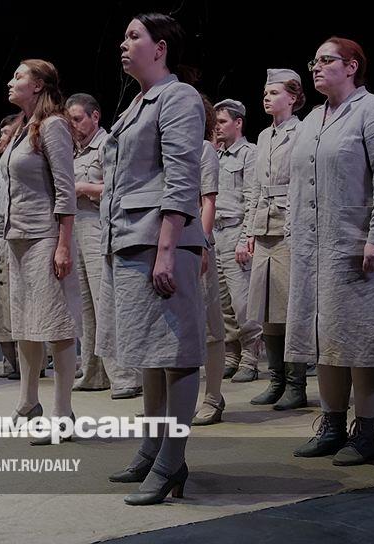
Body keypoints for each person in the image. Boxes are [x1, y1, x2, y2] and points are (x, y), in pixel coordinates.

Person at [286, 37, 374, 465]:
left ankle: (366, 433)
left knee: (363, 339)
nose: (316, 67)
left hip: (357, 246)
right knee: (326, 337)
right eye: (314, 61)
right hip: (315, 249)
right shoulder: (311, 120)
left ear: (352, 66)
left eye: (326, 60)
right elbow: (298, 184)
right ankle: (332, 426)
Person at [100, 13, 206, 504]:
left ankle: (171, 462)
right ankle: (151, 449)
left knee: (176, 353)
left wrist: (166, 249)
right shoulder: (137, 104)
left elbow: (182, 177)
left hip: (163, 243)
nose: (123, 44)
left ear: (160, 47)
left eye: (133, 36)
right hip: (131, 240)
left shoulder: (178, 96)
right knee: (150, 353)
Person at [1, 59, 82, 440]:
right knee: (25, 326)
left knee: (56, 325)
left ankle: (62, 412)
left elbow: (66, 190)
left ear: (37, 85)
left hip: (45, 238)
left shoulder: (53, 126)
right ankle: (27, 401)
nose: (11, 81)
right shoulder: (23, 128)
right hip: (17, 239)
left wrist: (63, 244)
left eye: (18, 76)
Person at [66, 92, 142, 398]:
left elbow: (120, 186)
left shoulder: (108, 144)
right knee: (85, 306)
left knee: (106, 303)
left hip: (101, 228)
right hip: (77, 230)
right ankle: (94, 372)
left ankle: (126, 376)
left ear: (94, 116)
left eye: (77, 119)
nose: (73, 125)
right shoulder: (73, 152)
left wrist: (83, 187)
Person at [246, 69, 305, 411]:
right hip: (264, 227)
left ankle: (296, 384)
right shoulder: (263, 136)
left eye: (274, 92)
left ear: (293, 97)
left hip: (288, 227)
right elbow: (255, 188)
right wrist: (249, 232)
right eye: (265, 93)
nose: (266, 98)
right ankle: (276, 380)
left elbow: (302, 183)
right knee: (265, 308)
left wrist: (296, 228)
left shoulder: (302, 132)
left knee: (289, 307)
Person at [213, 98, 262, 382]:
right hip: (215, 233)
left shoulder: (249, 154)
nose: (217, 127)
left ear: (238, 123)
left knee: (243, 301)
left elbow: (252, 198)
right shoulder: (215, 155)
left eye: (222, 122)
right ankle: (231, 354)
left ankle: (251, 357)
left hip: (235, 231)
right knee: (223, 303)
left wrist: (246, 238)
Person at [192, 94, 228, 426]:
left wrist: (202, 244)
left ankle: (213, 396)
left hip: (194, 242)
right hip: (165, 244)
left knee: (209, 324)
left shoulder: (203, 149)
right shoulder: (166, 149)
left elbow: (208, 201)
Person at [0, 114, 20, 379]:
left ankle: (30, 362)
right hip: (0, 242)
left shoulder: (20, 169)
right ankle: (9, 361)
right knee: (1, 303)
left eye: (7, 133)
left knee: (18, 302)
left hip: (17, 239)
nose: (2, 138)